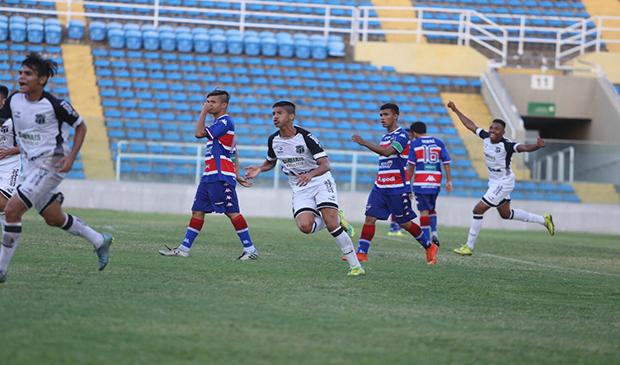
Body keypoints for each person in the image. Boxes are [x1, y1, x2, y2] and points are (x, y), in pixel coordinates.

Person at [0, 53, 113, 283]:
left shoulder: (56, 105)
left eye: (28, 74)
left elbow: (81, 127)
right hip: (31, 166)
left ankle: (1, 269)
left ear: (42, 79)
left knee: (12, 210)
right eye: (21, 72)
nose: (21, 77)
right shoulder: (14, 101)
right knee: (53, 217)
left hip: (53, 163)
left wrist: (71, 157)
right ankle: (99, 240)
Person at [244, 101, 364, 276]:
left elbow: (325, 165)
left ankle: (356, 266)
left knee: (331, 225)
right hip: (299, 185)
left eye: (279, 113)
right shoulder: (273, 140)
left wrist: (310, 175)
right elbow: (271, 161)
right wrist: (260, 169)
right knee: (305, 226)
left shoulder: (306, 137)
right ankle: (336, 217)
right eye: (273, 114)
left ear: (291, 116)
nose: (275, 117)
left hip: (320, 180)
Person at [159, 89, 258, 260]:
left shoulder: (225, 121)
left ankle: (251, 250)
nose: (208, 104)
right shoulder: (219, 125)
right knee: (197, 211)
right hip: (210, 176)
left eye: (212, 102)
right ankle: (184, 249)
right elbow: (233, 151)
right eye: (207, 102)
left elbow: (198, 133)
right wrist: (237, 174)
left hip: (220, 176)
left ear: (224, 105)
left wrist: (203, 112)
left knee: (232, 212)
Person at [446, 101, 554, 256]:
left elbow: (523, 148)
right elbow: (470, 125)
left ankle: (468, 247)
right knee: (506, 214)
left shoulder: (507, 145)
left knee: (478, 209)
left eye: (496, 129)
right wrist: (456, 110)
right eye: (491, 127)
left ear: (503, 132)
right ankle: (544, 220)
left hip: (504, 182)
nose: (492, 130)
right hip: (494, 182)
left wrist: (537, 146)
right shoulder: (485, 137)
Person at [351, 103, 438, 264]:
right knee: (370, 218)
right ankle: (361, 253)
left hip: (397, 187)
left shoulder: (402, 136)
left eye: (386, 115)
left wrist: (364, 142)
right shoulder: (385, 137)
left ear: (395, 116)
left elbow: (387, 152)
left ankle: (429, 246)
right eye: (381, 115)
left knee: (404, 223)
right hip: (380, 186)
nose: (382, 118)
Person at [407, 121, 452, 248]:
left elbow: (411, 166)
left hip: (421, 181)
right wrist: (449, 181)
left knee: (423, 211)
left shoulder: (415, 144)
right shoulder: (438, 142)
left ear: (414, 133)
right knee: (431, 208)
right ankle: (435, 232)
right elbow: (446, 162)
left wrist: (406, 184)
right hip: (435, 181)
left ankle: (426, 240)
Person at [0, 85, 21, 227]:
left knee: (2, 203)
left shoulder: (15, 118)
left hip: (10, 164)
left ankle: (8, 242)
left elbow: (29, 145)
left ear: (3, 101)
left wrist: (9, 151)